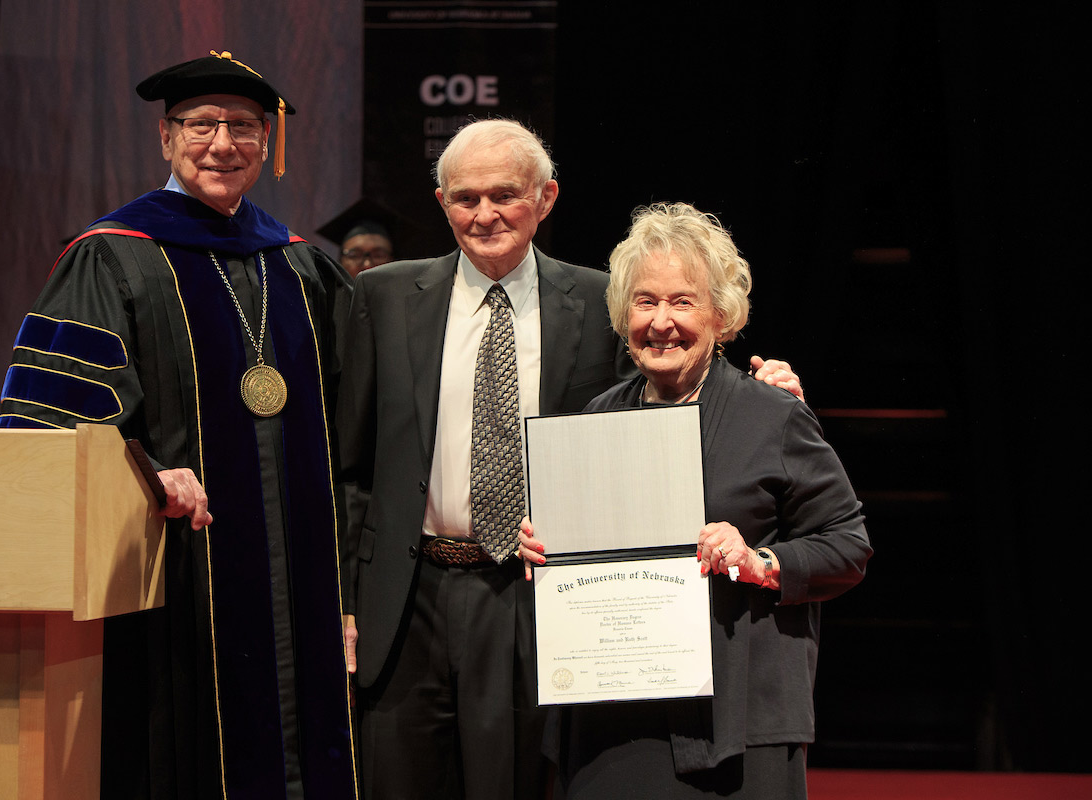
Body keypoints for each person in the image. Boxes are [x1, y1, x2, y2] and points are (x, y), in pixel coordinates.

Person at [336, 119, 804, 800]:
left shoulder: (598, 301)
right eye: (465, 198)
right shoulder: (381, 298)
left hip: (532, 594)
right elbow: (349, 465)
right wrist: (347, 600)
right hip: (407, 600)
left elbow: (663, 409)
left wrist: (762, 394)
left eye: (505, 194)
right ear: (442, 204)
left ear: (545, 198)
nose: (484, 213)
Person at [0, 51, 357, 799]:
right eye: (200, 124)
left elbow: (350, 428)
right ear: (165, 137)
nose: (222, 143)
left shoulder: (300, 269)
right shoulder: (111, 258)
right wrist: (144, 475)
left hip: (301, 579)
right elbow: (51, 429)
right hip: (170, 572)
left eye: (244, 127)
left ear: (268, 142)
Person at [518, 202, 872, 799]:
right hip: (614, 721)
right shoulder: (596, 420)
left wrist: (759, 562)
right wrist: (546, 553)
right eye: (645, 301)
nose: (661, 322)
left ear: (720, 316)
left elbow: (848, 545)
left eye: (682, 301)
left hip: (739, 719)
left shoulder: (771, 415)